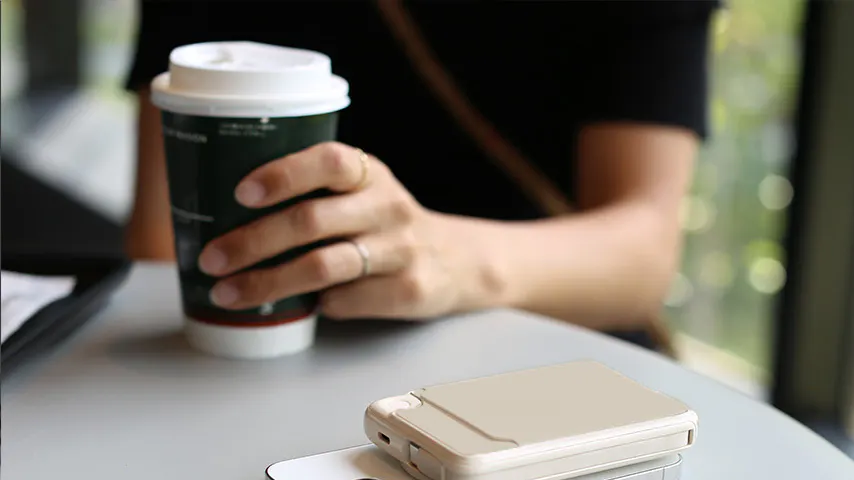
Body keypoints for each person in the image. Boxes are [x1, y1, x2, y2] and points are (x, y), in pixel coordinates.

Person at [124, 0, 717, 351]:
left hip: (552, 355)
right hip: (287, 360)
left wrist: (450, 260)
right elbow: (160, 233)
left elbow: (644, 254)